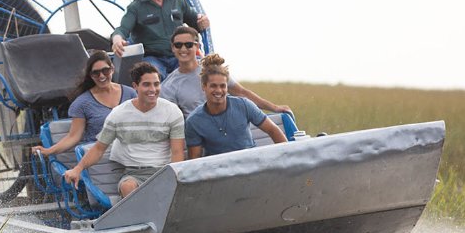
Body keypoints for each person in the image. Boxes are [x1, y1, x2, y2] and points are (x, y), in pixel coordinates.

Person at [64, 61, 185, 198]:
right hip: (133, 174)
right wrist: (78, 169)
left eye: (156, 84)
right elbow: (98, 149)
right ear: (135, 87)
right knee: (128, 186)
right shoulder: (118, 114)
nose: (153, 89)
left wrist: (173, 179)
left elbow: (177, 152)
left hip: (164, 171)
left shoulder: (173, 112)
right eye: (146, 84)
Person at [161, 25, 293, 119]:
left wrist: (274, 108)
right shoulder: (168, 86)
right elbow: (175, 122)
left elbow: (242, 93)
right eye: (178, 45)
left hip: (229, 125)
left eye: (188, 45)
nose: (183, 49)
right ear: (172, 48)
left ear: (197, 46)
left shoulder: (212, 69)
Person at [110, 0, 209, 78]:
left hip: (179, 54)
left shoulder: (177, 0)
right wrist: (117, 40)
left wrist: (203, 22)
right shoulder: (135, 7)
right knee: (152, 76)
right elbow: (122, 30)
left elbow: (196, 22)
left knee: (202, 72)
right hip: (152, 58)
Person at [32, 51, 137, 157]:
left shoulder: (131, 93)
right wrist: (48, 151)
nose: (101, 76)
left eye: (105, 70)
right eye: (95, 73)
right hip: (101, 159)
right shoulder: (82, 103)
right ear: (90, 76)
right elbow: (73, 137)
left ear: (112, 69)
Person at [185, 54, 287, 158]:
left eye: (222, 86)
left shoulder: (244, 105)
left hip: (251, 163)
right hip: (219, 170)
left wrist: (286, 157)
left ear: (227, 86)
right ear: (204, 86)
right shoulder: (194, 121)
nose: (219, 90)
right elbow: (194, 160)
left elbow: (273, 130)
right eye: (213, 86)